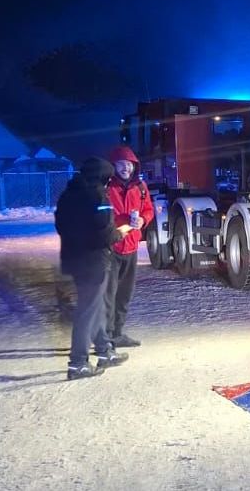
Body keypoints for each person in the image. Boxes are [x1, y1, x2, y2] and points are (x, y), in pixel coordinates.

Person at [55, 157, 130, 379]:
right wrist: (120, 233)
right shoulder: (98, 195)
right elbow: (105, 233)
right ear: (103, 176)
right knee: (87, 311)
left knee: (94, 307)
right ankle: (78, 363)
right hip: (94, 261)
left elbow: (60, 225)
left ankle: (105, 351)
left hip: (74, 259)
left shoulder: (68, 194)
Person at [105, 145, 153, 348]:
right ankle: (105, 339)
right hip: (110, 249)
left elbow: (148, 209)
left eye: (129, 164)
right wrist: (119, 222)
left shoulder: (140, 187)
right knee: (108, 296)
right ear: (113, 166)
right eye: (121, 164)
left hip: (131, 249)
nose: (126, 168)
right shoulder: (105, 187)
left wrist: (143, 219)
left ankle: (117, 334)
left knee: (124, 294)